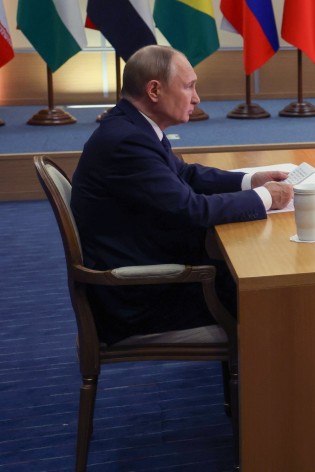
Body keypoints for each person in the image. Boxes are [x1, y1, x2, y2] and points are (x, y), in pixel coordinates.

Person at [71, 45, 294, 345]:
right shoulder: (127, 141)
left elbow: (186, 175)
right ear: (154, 90)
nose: (197, 98)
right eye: (189, 86)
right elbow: (191, 210)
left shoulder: (133, 126)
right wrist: (265, 198)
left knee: (255, 273)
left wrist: (252, 180)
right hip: (140, 298)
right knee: (272, 296)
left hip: (147, 266)